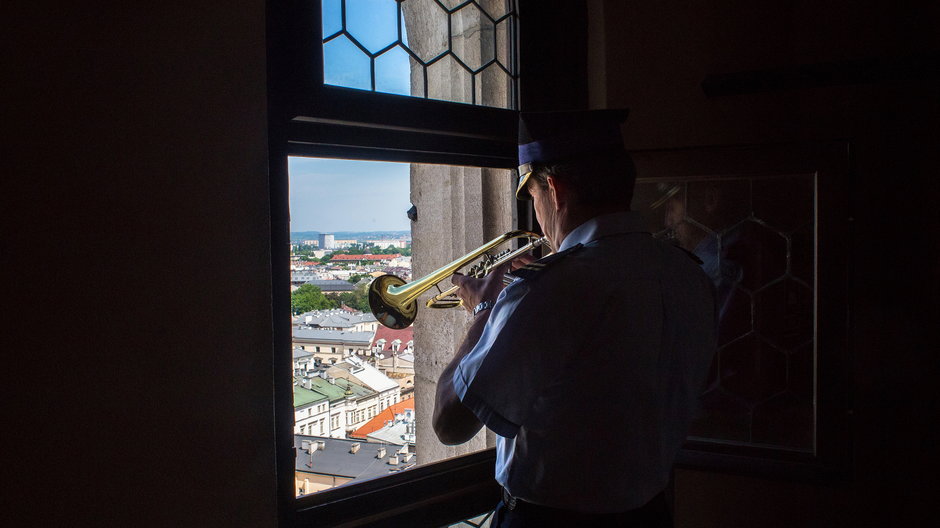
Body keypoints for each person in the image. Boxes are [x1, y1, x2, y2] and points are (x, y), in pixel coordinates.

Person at [432, 109, 717, 527]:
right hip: (652, 513)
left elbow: (450, 423)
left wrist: (483, 311)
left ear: (554, 188)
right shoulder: (689, 272)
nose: (537, 214)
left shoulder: (545, 289)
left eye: (532, 198)